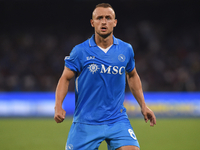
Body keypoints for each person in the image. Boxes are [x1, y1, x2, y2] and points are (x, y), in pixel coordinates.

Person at [54, 3, 156, 150]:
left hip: (117, 120)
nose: (103, 21)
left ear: (114, 22)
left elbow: (132, 75)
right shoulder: (80, 51)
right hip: (86, 122)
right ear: (92, 22)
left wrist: (143, 106)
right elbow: (65, 78)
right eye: (99, 18)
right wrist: (58, 106)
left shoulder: (126, 49)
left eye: (108, 18)